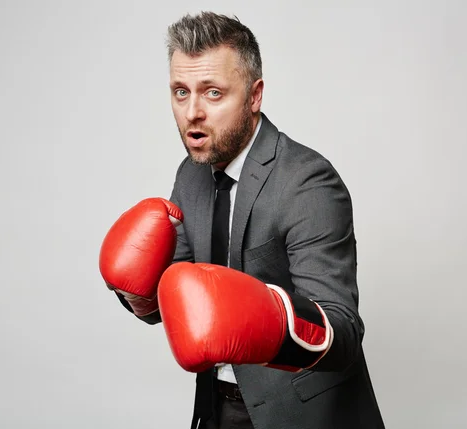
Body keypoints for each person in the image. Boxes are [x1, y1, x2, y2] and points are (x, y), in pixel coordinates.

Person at [99, 11, 385, 429]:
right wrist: (139, 294)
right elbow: (177, 292)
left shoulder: (307, 182)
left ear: (254, 96)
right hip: (216, 404)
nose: (192, 112)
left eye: (213, 93)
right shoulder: (191, 173)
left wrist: (262, 317)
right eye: (181, 92)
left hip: (298, 414)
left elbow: (341, 331)